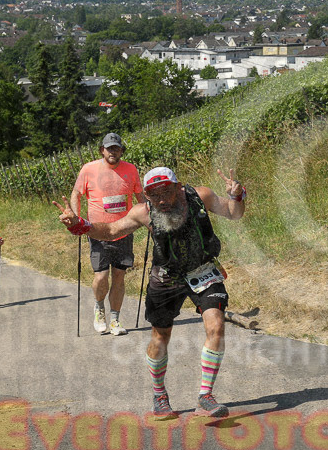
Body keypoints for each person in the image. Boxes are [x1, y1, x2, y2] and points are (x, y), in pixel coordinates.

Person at [55, 166, 246, 418]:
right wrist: (80, 225)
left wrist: (237, 195)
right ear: (146, 196)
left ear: (179, 187)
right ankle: (160, 396)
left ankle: (205, 396)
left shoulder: (201, 196)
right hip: (166, 278)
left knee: (216, 326)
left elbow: (234, 213)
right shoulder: (143, 212)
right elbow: (112, 231)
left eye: (166, 192)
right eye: (154, 195)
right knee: (160, 337)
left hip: (203, 271)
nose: (162, 200)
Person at [70, 132, 144, 336]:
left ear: (121, 150)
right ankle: (99, 309)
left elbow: (141, 197)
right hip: (98, 232)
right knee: (101, 275)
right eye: (109, 148)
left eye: (116, 148)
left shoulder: (131, 169)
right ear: (102, 150)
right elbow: (76, 193)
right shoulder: (89, 169)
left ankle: (115, 320)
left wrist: (148, 217)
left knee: (119, 276)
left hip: (124, 231)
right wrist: (78, 220)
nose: (113, 151)